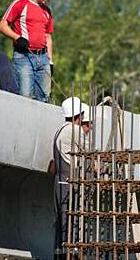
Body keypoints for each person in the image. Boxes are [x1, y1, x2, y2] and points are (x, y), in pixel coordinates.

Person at [0, 0, 58, 102]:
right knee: (25, 97)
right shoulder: (20, 4)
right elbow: (2, 26)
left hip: (43, 58)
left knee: (44, 97)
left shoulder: (47, 11)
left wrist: (50, 61)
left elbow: (48, 36)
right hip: (23, 57)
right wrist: (17, 38)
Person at [52, 97, 91, 259]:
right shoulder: (74, 130)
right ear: (79, 115)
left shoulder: (60, 129)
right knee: (70, 220)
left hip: (59, 180)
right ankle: (71, 254)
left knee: (61, 222)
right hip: (69, 179)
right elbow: (89, 151)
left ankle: (61, 255)